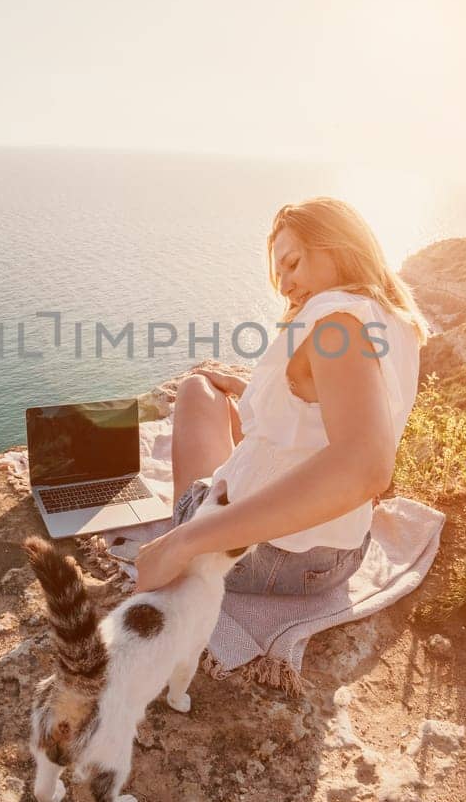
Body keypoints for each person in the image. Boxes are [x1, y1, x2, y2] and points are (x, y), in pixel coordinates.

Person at [132, 196, 426, 596]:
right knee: (232, 411)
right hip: (340, 553)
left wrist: (181, 543)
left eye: (293, 264)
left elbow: (367, 467)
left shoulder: (333, 324)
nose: (284, 285)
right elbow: (327, 412)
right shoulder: (390, 319)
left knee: (197, 391)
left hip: (267, 557)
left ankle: (189, 526)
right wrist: (253, 391)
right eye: (279, 273)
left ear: (339, 246)